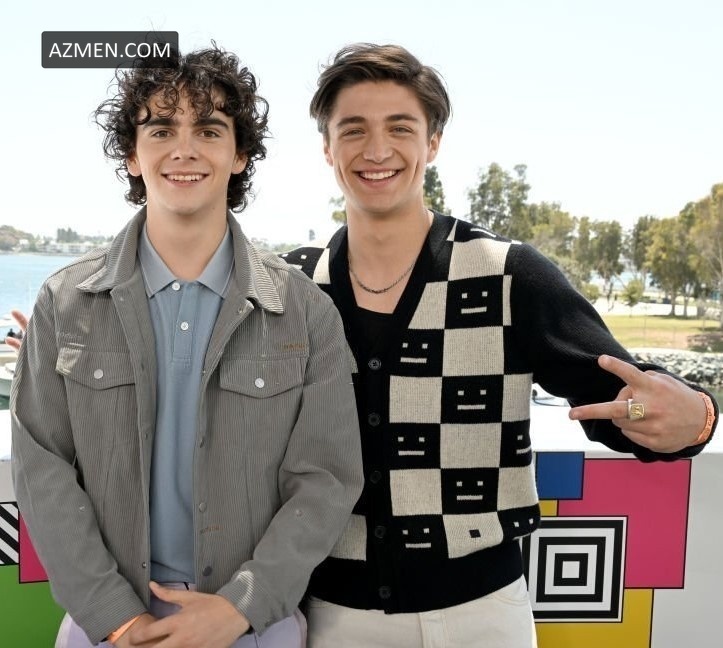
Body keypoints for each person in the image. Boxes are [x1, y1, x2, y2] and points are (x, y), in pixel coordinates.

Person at [280, 43, 719, 647]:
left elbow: (621, 396)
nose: (377, 150)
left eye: (400, 127)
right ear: (327, 149)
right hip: (331, 615)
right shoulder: (292, 286)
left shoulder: (509, 274)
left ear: (433, 142)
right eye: (353, 129)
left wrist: (698, 417)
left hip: (481, 616)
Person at [11, 46, 363, 648]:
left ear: (240, 153)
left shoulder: (305, 312)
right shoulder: (64, 304)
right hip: (108, 630)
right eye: (160, 129)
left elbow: (327, 480)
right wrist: (117, 616)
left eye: (209, 129)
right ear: (131, 154)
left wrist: (239, 606)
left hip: (253, 626)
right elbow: (42, 471)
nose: (184, 149)